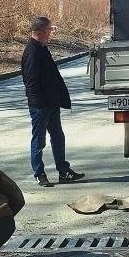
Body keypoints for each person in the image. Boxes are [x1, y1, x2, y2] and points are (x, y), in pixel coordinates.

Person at [20, 16, 85, 187]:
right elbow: (30, 82)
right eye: (50, 30)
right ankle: (39, 174)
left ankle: (63, 171)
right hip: (40, 106)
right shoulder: (32, 52)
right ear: (41, 32)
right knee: (39, 140)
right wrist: (38, 104)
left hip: (52, 103)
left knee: (58, 137)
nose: (51, 33)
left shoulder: (42, 48)